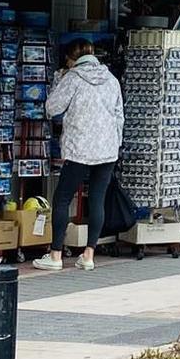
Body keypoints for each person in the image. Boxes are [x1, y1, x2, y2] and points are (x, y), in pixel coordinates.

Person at [34, 39, 122, 272]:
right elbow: (119, 116)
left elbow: (52, 108)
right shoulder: (111, 80)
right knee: (97, 199)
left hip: (79, 148)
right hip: (107, 149)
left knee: (62, 198)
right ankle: (89, 255)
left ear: (71, 59)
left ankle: (55, 255)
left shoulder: (72, 78)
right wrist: (115, 144)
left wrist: (58, 80)